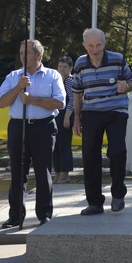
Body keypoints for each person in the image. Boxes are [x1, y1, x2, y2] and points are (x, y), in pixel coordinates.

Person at [0, 40, 65, 228]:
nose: (22, 56)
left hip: (43, 127)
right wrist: (18, 87)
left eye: (26, 52)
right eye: (20, 52)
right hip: (18, 126)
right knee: (18, 172)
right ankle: (16, 216)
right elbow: (1, 102)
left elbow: (60, 103)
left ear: (38, 55)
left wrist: (32, 100)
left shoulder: (52, 75)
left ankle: (44, 214)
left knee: (43, 171)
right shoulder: (13, 76)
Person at [72, 28, 132, 215]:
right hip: (91, 111)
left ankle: (118, 194)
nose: (95, 49)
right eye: (90, 45)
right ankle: (95, 202)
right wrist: (76, 117)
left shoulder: (117, 59)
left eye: (98, 45)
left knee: (117, 151)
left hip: (116, 110)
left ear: (104, 44)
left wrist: (126, 86)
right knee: (90, 156)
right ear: (84, 46)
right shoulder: (80, 63)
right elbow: (77, 93)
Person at [53, 56, 74, 184]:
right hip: (56, 114)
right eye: (60, 66)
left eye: (65, 67)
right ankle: (57, 172)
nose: (62, 69)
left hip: (66, 114)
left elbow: (73, 99)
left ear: (70, 68)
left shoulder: (70, 81)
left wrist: (67, 117)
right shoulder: (57, 80)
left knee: (64, 145)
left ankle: (65, 174)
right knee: (55, 145)